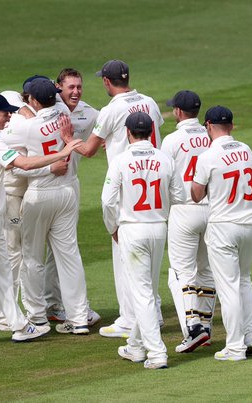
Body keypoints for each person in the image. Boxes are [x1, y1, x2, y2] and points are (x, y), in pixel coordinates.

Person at [0, 92, 82, 347]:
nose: (10, 116)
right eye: (6, 113)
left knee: (2, 273)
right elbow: (25, 165)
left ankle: (20, 325)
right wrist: (63, 152)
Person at [61, 59, 164, 338]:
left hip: (126, 185)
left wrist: (70, 140)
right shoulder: (150, 103)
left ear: (106, 82)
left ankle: (130, 320)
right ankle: (152, 314)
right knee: (151, 260)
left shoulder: (112, 109)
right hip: (154, 182)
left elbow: (90, 150)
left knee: (125, 256)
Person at [6, 78, 90, 334]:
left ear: (31, 100)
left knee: (32, 257)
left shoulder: (26, 128)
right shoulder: (64, 112)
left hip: (39, 194)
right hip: (66, 192)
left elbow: (12, 161)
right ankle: (79, 319)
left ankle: (37, 317)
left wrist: (19, 112)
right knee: (69, 256)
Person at [101, 112, 185, 369]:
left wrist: (112, 226)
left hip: (132, 229)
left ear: (128, 133)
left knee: (142, 293)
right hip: (158, 228)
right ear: (151, 131)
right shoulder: (165, 158)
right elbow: (179, 195)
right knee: (146, 290)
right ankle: (135, 347)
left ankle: (157, 353)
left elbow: (107, 200)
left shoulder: (120, 160)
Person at [191, 105, 252, 361]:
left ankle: (235, 346)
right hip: (248, 222)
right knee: (244, 280)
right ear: (231, 125)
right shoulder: (246, 149)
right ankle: (250, 336)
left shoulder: (207, 157)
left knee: (228, 287)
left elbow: (196, 195)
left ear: (208, 126)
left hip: (223, 227)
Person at [43, 68, 101, 327]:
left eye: (79, 86)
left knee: (60, 251)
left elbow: (104, 140)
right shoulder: (44, 107)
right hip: (39, 185)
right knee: (26, 253)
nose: (76, 91)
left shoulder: (90, 113)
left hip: (68, 186)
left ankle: (53, 305)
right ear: (58, 87)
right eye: (70, 87)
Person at [160, 90, 215, 353]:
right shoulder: (211, 136)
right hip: (213, 210)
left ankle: (193, 329)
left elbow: (163, 179)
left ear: (179, 112)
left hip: (184, 209)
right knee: (206, 271)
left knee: (181, 272)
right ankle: (205, 326)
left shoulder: (171, 140)